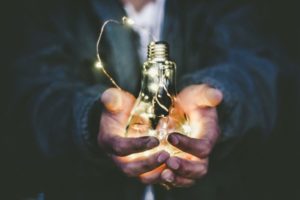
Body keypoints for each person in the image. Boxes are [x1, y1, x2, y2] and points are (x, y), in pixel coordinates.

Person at [5, 0, 282, 199]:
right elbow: (29, 94)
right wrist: (91, 120)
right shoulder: (54, 10)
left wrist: (220, 103)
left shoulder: (221, 8)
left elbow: (257, 68)